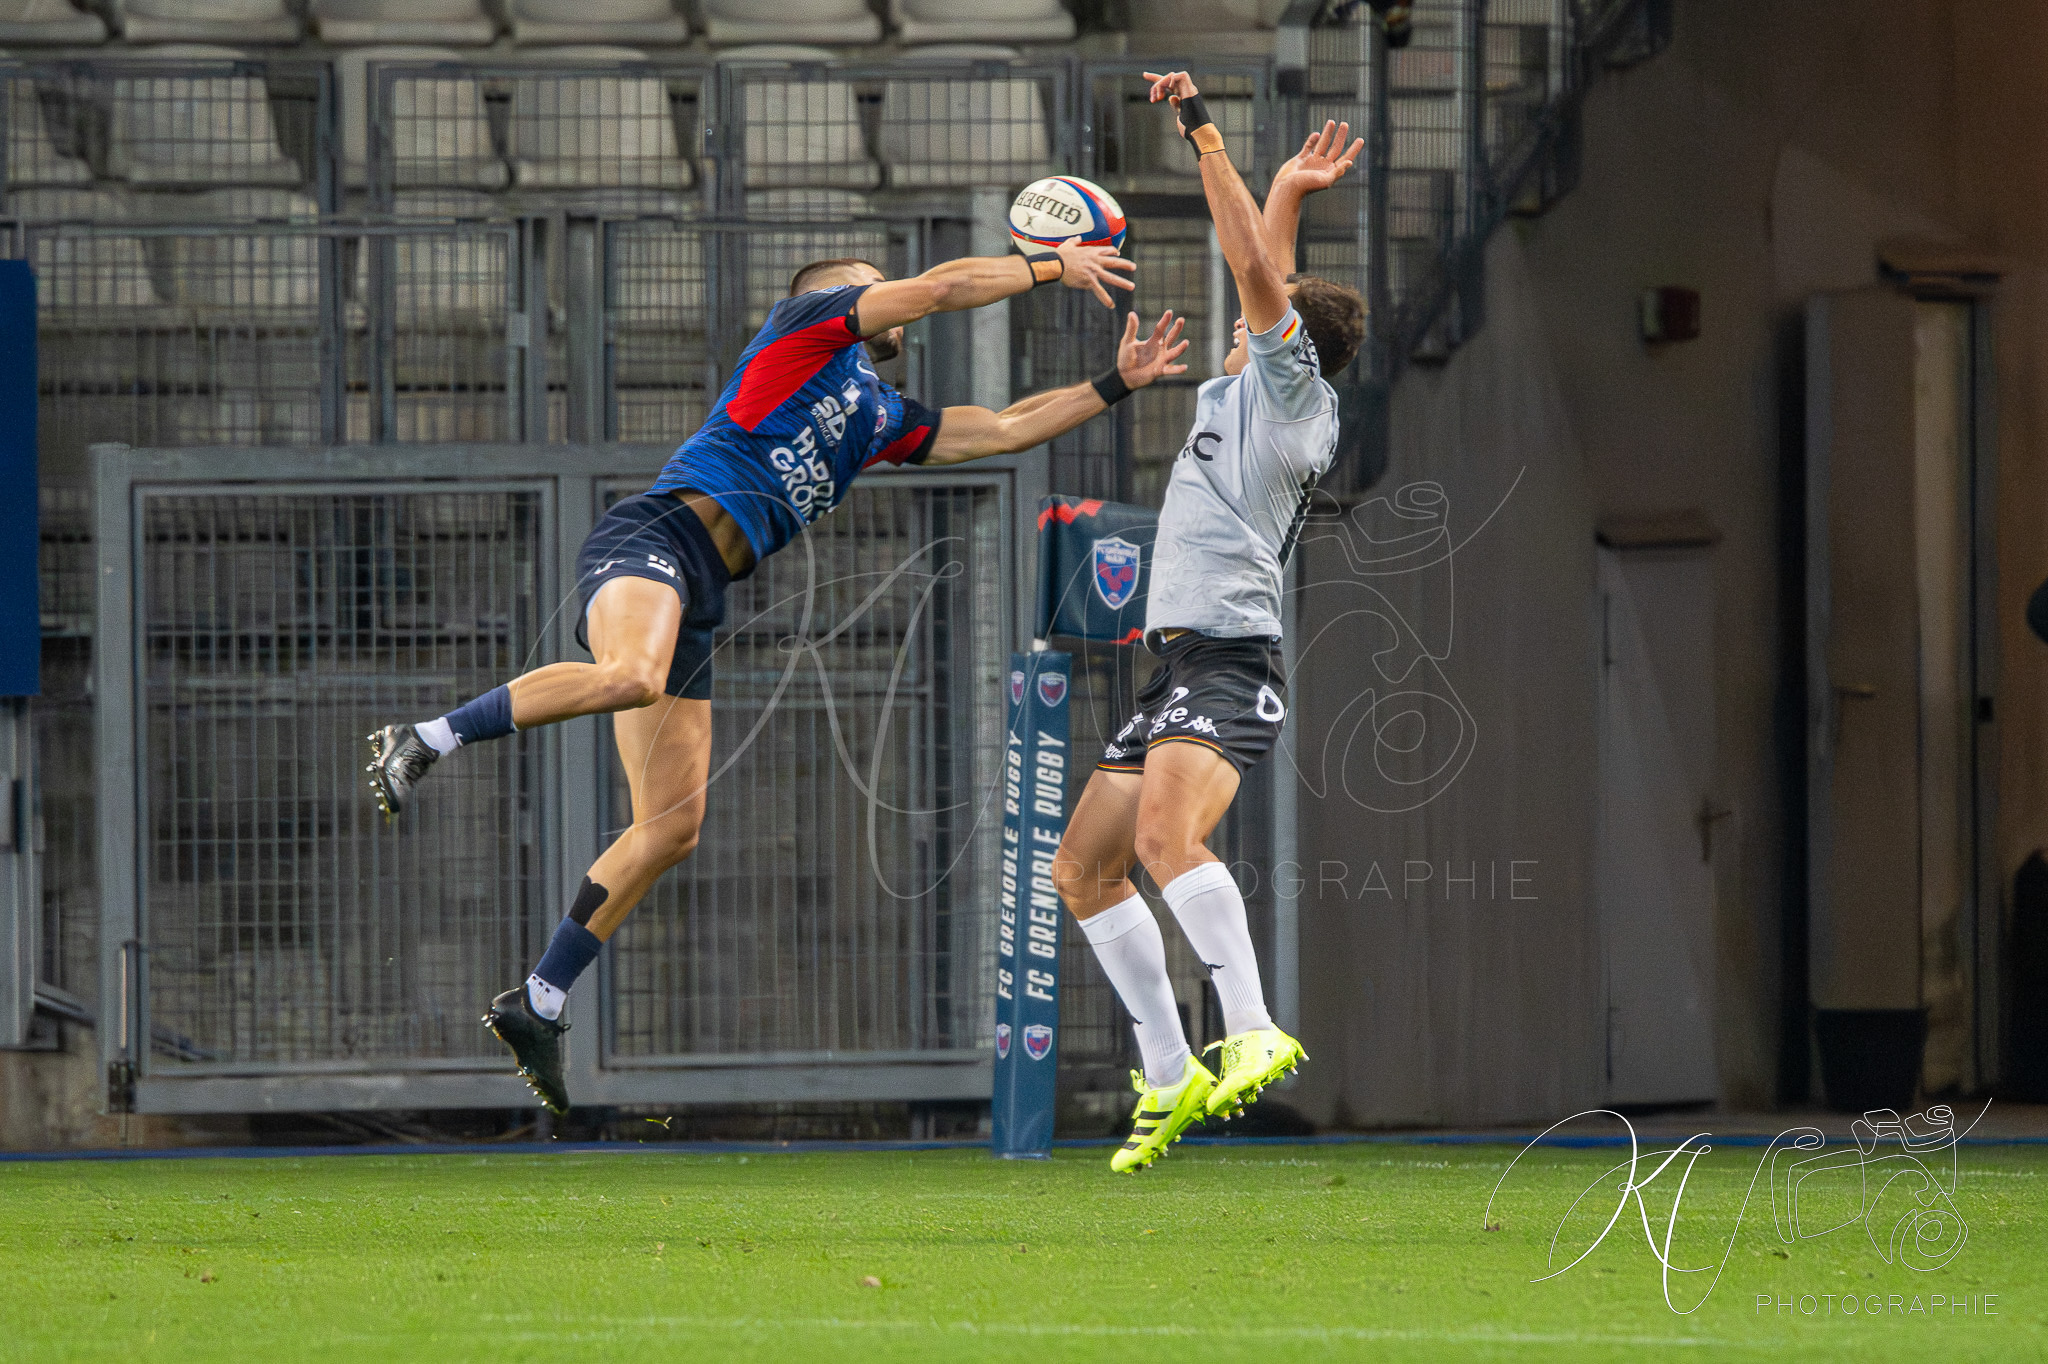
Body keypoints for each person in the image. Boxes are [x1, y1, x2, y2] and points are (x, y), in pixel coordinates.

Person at [365, 240, 1189, 1113]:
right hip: (656, 537)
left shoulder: (877, 414)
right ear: (835, 298)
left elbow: (999, 428)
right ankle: (422, 737)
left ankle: (537, 1001)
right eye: (878, 288)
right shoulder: (803, 331)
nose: (896, 302)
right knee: (631, 675)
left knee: (672, 828)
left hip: (704, 589)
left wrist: (1114, 385)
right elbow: (942, 289)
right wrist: (1054, 266)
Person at [1051, 81, 1366, 1173]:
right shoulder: (1257, 385)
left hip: (1228, 659)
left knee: (1163, 843)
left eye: (1258, 322)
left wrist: (1206, 137)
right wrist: (1284, 185)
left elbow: (1252, 274)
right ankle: (1172, 1064)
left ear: (1286, 344)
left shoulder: (1289, 402)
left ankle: (1251, 1023)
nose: (1240, 326)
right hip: (1176, 661)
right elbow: (1262, 272)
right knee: (1084, 869)